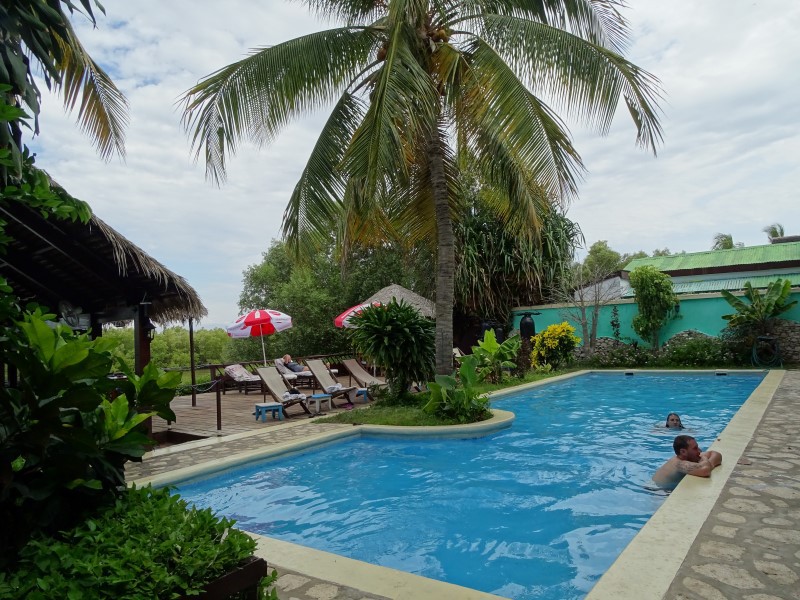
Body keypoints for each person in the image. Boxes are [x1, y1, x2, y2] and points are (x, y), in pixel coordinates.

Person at [652, 435, 722, 489]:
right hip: (657, 491)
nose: (699, 451)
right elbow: (705, 471)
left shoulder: (690, 456)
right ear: (683, 452)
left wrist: (709, 464)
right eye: (695, 448)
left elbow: (716, 454)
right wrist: (705, 460)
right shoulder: (679, 464)